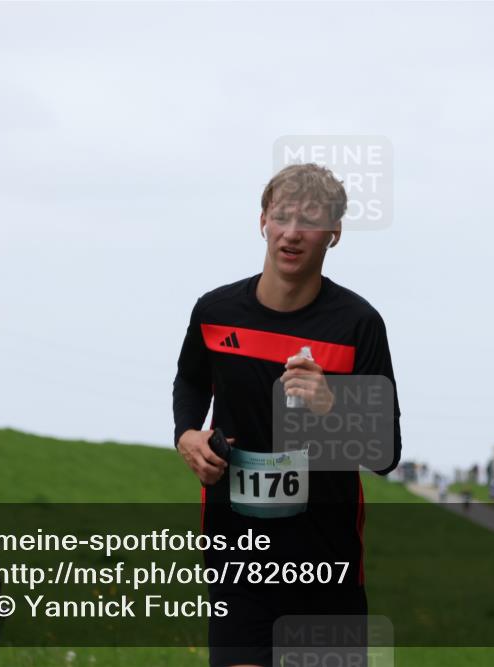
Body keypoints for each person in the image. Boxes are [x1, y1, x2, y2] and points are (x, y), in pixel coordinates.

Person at [172, 163, 403, 666]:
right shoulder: (216, 313)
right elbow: (191, 380)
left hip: (326, 560)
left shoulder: (358, 324)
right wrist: (187, 434)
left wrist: (331, 403)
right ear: (263, 221)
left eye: (310, 220)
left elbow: (385, 453)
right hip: (237, 554)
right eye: (282, 216)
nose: (292, 232)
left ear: (334, 232)